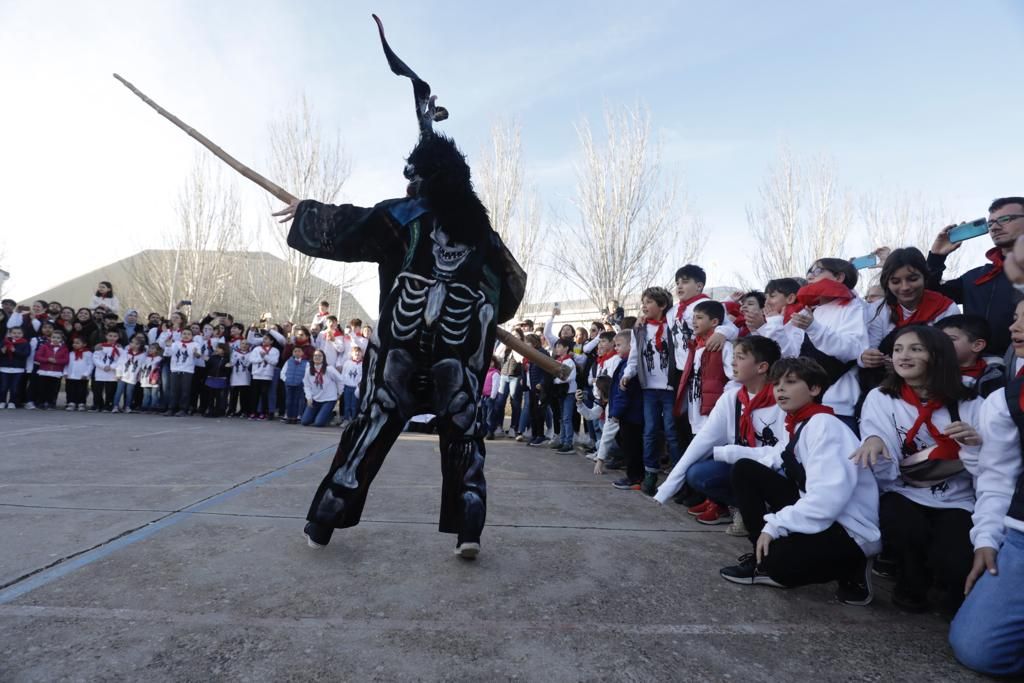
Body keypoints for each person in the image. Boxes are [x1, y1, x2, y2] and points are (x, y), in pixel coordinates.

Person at [718, 357, 881, 606]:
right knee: (745, 470)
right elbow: (774, 457)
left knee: (781, 566)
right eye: (776, 384)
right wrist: (723, 452)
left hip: (847, 527)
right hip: (821, 512)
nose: (780, 389)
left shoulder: (825, 426)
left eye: (791, 382)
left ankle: (853, 565)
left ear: (815, 389)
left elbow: (827, 500)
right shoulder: (798, 422)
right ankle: (760, 556)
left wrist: (775, 526)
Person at [852, 326, 982, 613]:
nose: (903, 356)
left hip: (957, 498)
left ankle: (949, 592)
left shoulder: (971, 402)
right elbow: (885, 461)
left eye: (915, 349)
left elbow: (987, 469)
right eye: (898, 349)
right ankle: (911, 584)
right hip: (904, 490)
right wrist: (874, 442)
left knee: (954, 560)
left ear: (937, 356)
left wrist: (975, 446)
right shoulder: (881, 397)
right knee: (905, 527)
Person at [948, 296, 1024, 678]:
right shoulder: (1006, 399)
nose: (1015, 329)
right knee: (977, 648)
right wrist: (987, 539)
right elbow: (997, 476)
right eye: (1014, 319)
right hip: (1022, 535)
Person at [657, 336, 785, 533]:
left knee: (783, 473)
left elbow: (785, 453)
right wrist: (669, 486)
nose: (733, 362)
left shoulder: (783, 399)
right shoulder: (732, 398)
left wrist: (732, 453)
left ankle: (779, 514)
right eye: (733, 356)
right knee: (698, 474)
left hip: (774, 470)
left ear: (761, 367)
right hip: (743, 470)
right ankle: (748, 508)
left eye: (740, 357)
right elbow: (703, 441)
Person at [926, 197, 1023, 358]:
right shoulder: (977, 276)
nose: (995, 228)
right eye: (990, 223)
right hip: (976, 367)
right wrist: (936, 257)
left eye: (1005, 219)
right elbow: (930, 297)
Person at [787, 259, 868, 417]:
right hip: (803, 399)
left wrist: (814, 328)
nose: (810, 276)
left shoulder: (853, 307)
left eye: (817, 271)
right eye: (809, 271)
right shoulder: (812, 311)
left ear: (839, 277)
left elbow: (855, 348)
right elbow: (790, 351)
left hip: (836, 403)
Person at [621, 286, 681, 495]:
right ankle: (650, 474)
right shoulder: (640, 328)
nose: (644, 306)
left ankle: (677, 476)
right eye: (643, 302)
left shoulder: (673, 325)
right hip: (649, 388)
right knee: (650, 432)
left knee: (672, 433)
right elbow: (635, 355)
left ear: (662, 305)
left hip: (670, 387)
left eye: (648, 302)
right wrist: (628, 374)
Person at [861, 247, 960, 369]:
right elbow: (871, 347)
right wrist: (867, 357)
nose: (905, 287)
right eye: (896, 282)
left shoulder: (946, 308)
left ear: (925, 277)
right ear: (887, 283)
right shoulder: (878, 309)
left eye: (912, 279)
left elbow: (950, 353)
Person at [679, 300, 735, 436]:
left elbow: (735, 378)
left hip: (713, 413)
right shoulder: (696, 346)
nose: (694, 322)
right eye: (693, 318)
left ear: (714, 322)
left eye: (699, 318)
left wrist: (722, 401)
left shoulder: (724, 346)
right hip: (696, 410)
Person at [935, 315, 1006, 398]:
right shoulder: (929, 372)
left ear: (977, 345)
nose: (939, 344)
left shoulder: (993, 376)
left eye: (951, 339)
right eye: (937, 339)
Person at [607, 331, 644, 488]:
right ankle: (635, 475)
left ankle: (634, 477)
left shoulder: (630, 367)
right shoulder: (625, 363)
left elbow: (623, 392)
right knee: (629, 445)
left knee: (631, 446)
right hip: (630, 413)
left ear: (631, 345)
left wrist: (616, 413)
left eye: (619, 345)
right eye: (615, 345)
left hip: (631, 414)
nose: (616, 348)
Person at [163, 328, 202, 417]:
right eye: (184, 333)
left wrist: (196, 353)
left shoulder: (195, 344)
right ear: (181, 335)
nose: (186, 335)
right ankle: (172, 408)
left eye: (188, 334)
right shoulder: (176, 344)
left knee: (185, 390)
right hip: (175, 369)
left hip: (187, 370)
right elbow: (167, 354)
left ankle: (183, 408)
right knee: (174, 390)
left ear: (192, 336)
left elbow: (198, 355)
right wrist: (168, 346)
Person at [301, 349, 344, 427]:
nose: (317, 357)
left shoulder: (329, 369)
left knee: (318, 423)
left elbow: (340, 380)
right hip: (315, 399)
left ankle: (330, 414)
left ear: (323, 358)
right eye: (315, 355)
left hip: (329, 399)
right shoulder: (309, 370)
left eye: (320, 356)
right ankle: (320, 414)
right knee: (304, 421)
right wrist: (309, 397)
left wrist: (339, 393)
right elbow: (306, 385)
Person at [550, 338, 578, 454]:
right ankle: (562, 440)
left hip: (569, 392)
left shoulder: (569, 361)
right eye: (556, 347)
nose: (557, 349)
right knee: (562, 418)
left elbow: (568, 377)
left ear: (566, 348)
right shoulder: (558, 361)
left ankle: (568, 443)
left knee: (566, 418)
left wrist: (556, 380)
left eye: (560, 346)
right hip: (561, 392)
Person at [32, 330, 69, 409]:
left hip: (56, 372)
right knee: (42, 388)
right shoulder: (44, 346)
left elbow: (66, 360)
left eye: (58, 338)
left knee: (52, 389)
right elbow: (37, 357)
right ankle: (40, 402)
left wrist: (57, 361)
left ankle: (50, 402)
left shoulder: (64, 348)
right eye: (53, 337)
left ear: (62, 339)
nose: (55, 339)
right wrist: (47, 359)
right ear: (50, 338)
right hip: (44, 371)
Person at [247, 334, 280, 421]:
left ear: (272, 341)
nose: (264, 340)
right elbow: (251, 359)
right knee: (254, 395)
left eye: (267, 339)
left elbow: (274, 362)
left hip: (267, 376)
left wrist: (265, 356)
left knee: (264, 394)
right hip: (256, 375)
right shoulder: (257, 349)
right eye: (264, 339)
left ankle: (263, 412)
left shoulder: (275, 350)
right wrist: (261, 359)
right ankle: (253, 412)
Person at [92, 330, 123, 412]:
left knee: (110, 391)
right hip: (100, 372)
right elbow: (95, 358)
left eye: (115, 336)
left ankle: (108, 405)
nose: (112, 338)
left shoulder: (119, 348)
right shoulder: (100, 347)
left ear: (118, 337)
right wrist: (103, 366)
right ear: (106, 336)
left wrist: (112, 367)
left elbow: (121, 360)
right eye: (110, 336)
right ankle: (98, 405)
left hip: (112, 373)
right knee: (98, 390)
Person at [0, 326, 31, 408]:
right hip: (4, 368)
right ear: (10, 334)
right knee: (3, 386)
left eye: (19, 333)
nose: (16, 335)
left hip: (18, 369)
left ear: (22, 334)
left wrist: (15, 351)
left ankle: (12, 401)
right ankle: (2, 401)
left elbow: (26, 354)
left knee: (14, 387)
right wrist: (2, 352)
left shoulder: (25, 343)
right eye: (14, 333)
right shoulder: (4, 342)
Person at [112, 339, 145, 413]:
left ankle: (127, 406)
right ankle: (115, 406)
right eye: (132, 343)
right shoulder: (125, 353)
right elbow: (120, 363)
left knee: (129, 392)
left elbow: (142, 367)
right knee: (119, 391)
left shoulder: (142, 355)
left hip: (132, 376)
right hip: (123, 375)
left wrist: (139, 376)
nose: (134, 345)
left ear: (141, 346)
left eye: (137, 344)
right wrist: (118, 373)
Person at [280, 345, 309, 424]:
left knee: (299, 400)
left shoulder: (306, 363)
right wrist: (286, 380)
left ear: (302, 353)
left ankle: (298, 415)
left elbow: (307, 374)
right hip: (289, 384)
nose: (297, 353)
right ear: (293, 353)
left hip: (300, 384)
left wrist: (302, 381)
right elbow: (283, 372)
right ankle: (289, 416)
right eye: (295, 351)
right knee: (289, 400)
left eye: (299, 351)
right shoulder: (288, 361)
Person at [339, 345, 363, 424]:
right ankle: (346, 419)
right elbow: (343, 374)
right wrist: (341, 387)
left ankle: (353, 420)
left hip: (356, 388)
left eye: (359, 354)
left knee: (354, 405)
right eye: (355, 354)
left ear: (362, 354)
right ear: (352, 354)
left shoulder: (363, 364)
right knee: (347, 405)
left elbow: (362, 376)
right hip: (347, 387)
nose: (357, 356)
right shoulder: (347, 363)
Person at [228, 340, 253, 417]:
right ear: (239, 345)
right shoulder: (235, 353)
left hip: (245, 377)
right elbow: (232, 362)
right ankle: (231, 410)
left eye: (246, 344)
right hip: (235, 376)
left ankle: (244, 411)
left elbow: (248, 364)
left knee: (244, 395)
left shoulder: (250, 354)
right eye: (242, 343)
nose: (244, 345)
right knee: (233, 395)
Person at [138, 343, 163, 413]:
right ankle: (144, 407)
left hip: (154, 379)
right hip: (145, 378)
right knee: (146, 394)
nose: (150, 350)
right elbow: (142, 368)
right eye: (149, 348)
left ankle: (153, 407)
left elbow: (157, 369)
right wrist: (140, 376)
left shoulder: (159, 358)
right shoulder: (146, 358)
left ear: (157, 350)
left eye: (152, 348)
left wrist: (155, 378)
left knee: (154, 394)